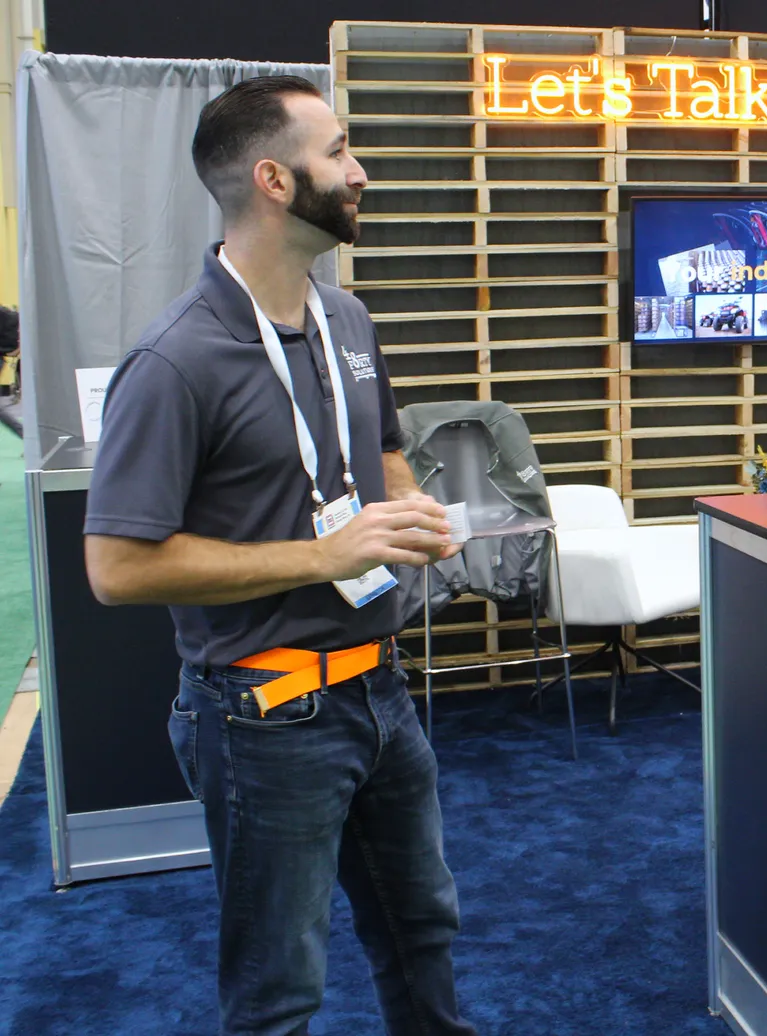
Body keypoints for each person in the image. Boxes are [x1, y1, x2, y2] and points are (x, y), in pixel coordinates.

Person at [82, 76, 476, 1036]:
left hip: (379, 693)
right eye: (338, 151)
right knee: (279, 988)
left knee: (423, 929)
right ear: (272, 178)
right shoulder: (175, 359)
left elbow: (377, 450)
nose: (359, 170)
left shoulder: (348, 321)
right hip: (262, 712)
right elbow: (116, 569)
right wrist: (322, 554)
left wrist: (408, 506)